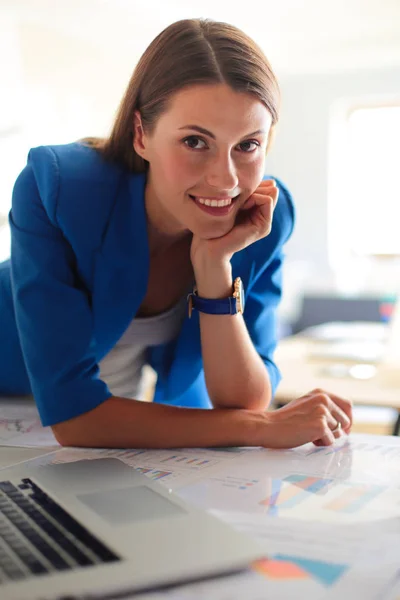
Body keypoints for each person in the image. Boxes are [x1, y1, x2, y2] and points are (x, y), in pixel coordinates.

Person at [0, 18, 352, 450]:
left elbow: (245, 400)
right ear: (141, 134)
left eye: (247, 145)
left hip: (111, 419)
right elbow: (74, 417)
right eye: (195, 142)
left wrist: (213, 266)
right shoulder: (59, 188)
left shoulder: (265, 219)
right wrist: (261, 428)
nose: (226, 181)